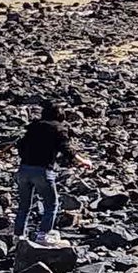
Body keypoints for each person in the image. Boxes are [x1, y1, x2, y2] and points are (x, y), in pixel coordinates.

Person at [14, 103, 92, 244]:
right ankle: (43, 235)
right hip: (43, 171)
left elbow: (20, 146)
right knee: (51, 204)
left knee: (24, 205)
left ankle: (18, 236)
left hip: (24, 169)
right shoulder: (58, 128)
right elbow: (66, 149)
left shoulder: (33, 127)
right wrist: (83, 161)